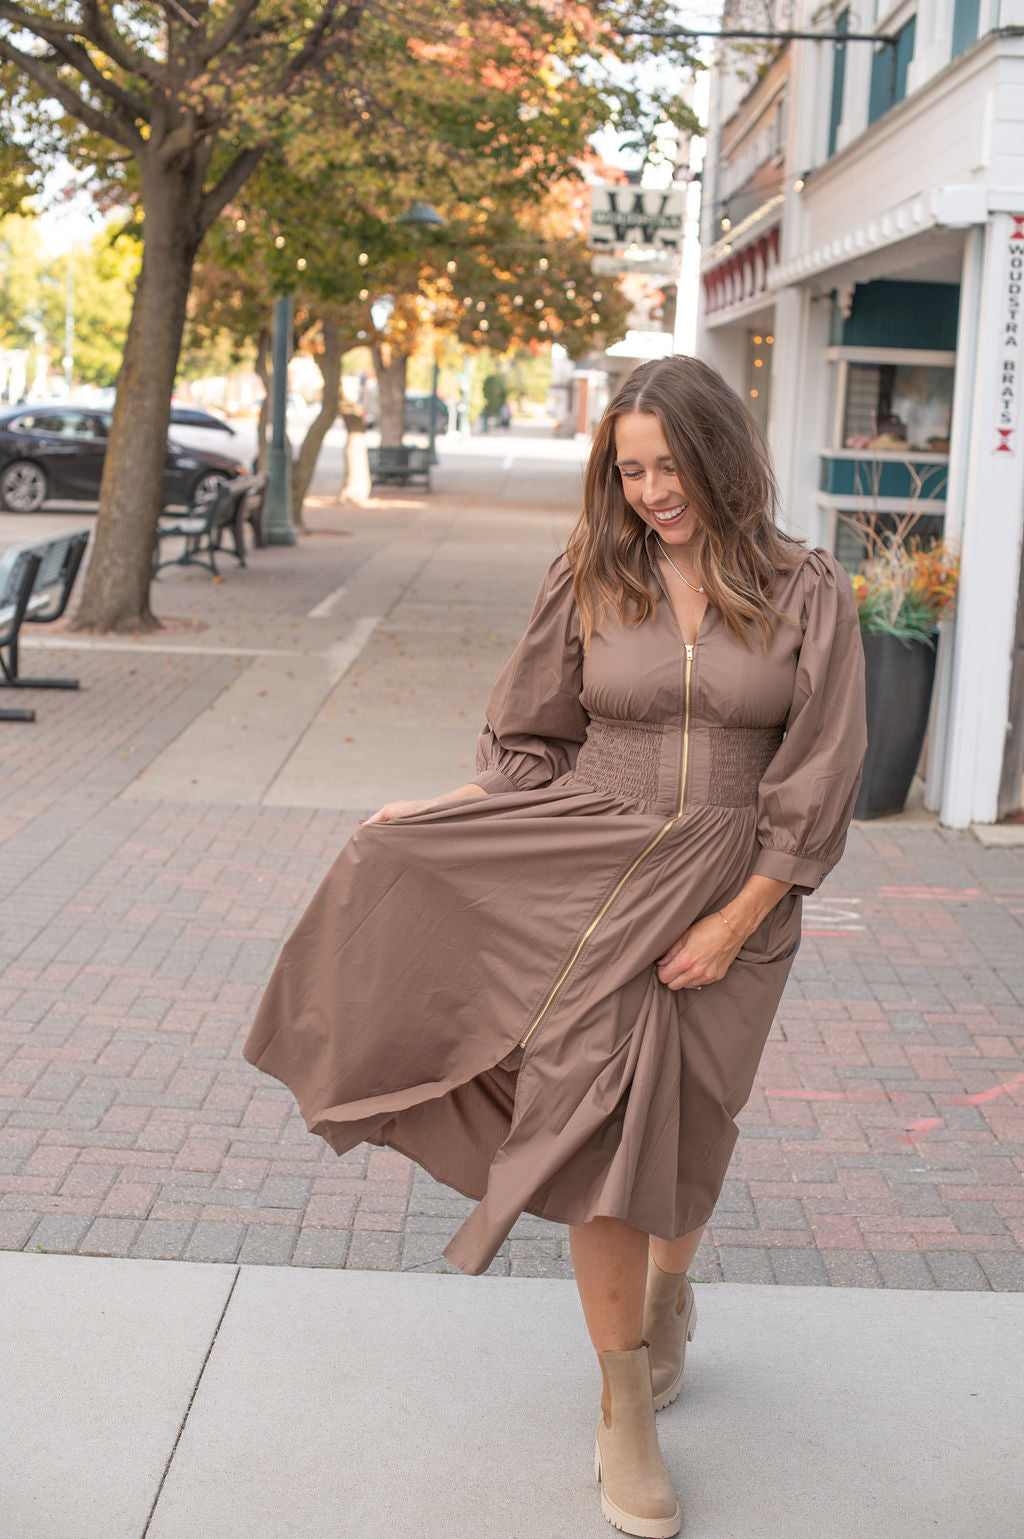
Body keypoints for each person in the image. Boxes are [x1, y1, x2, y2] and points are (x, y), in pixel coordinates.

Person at [244, 355, 867, 1538]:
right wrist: (441, 818)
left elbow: (820, 774)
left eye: (667, 466)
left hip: (738, 891)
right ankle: (621, 1405)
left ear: (722, 458)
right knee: (598, 1131)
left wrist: (736, 920)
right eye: (627, 469)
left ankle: (671, 1291)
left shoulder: (805, 589)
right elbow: (531, 746)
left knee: (692, 1120)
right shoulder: (588, 575)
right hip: (592, 877)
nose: (647, 491)